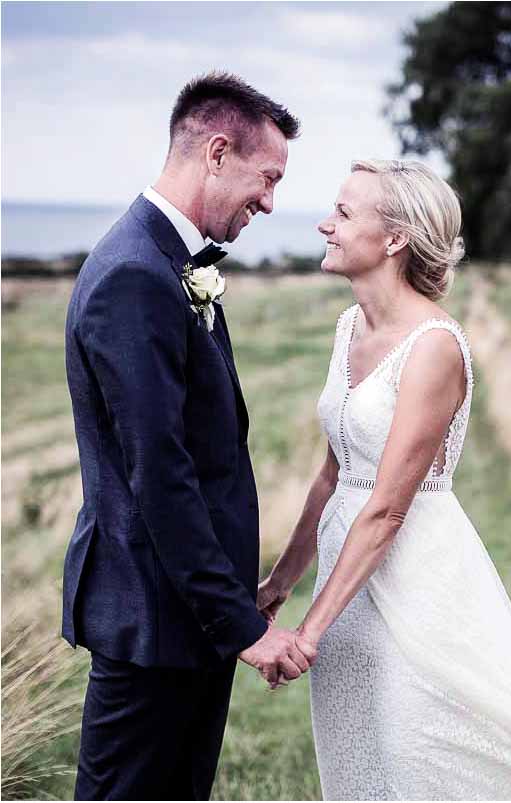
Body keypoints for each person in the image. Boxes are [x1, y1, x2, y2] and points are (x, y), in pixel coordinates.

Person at [256, 159, 511, 800]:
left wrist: (309, 633)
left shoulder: (434, 347)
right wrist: (280, 584)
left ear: (394, 238)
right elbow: (334, 473)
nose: (324, 224)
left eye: (344, 213)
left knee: (420, 750)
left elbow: (387, 510)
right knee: (361, 745)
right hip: (346, 576)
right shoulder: (348, 328)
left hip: (413, 576)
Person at [61, 71, 316, 800]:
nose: (269, 202)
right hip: (153, 615)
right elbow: (160, 474)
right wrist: (241, 625)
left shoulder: (173, 262)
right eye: (268, 177)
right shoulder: (135, 274)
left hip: (186, 619)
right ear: (217, 152)